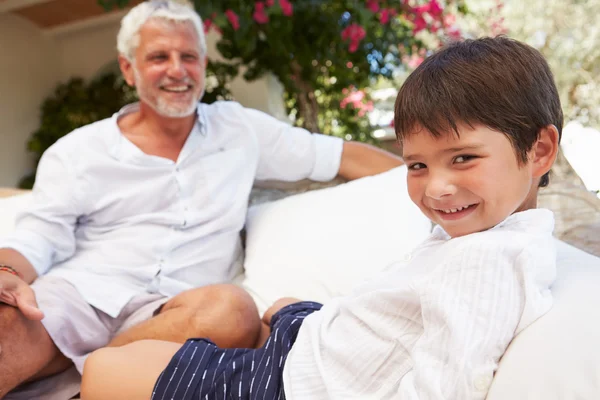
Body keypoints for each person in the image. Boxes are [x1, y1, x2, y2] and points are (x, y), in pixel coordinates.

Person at [79, 35, 562, 400]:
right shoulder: (489, 233)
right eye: (417, 165)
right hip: (322, 339)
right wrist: (307, 316)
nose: (435, 187)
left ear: (539, 150)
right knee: (274, 305)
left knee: (103, 369)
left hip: (294, 383)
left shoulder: (488, 262)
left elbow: (441, 387)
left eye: (462, 159)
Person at [0, 1, 404, 398]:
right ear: (128, 68)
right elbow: (38, 235)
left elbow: (341, 155)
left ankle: (82, 375)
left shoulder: (240, 130)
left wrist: (425, 175)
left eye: (188, 56)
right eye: (159, 56)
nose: (177, 70)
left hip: (176, 312)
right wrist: (6, 272)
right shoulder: (78, 150)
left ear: (203, 66)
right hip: (81, 295)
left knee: (232, 311)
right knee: (7, 321)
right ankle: (96, 378)